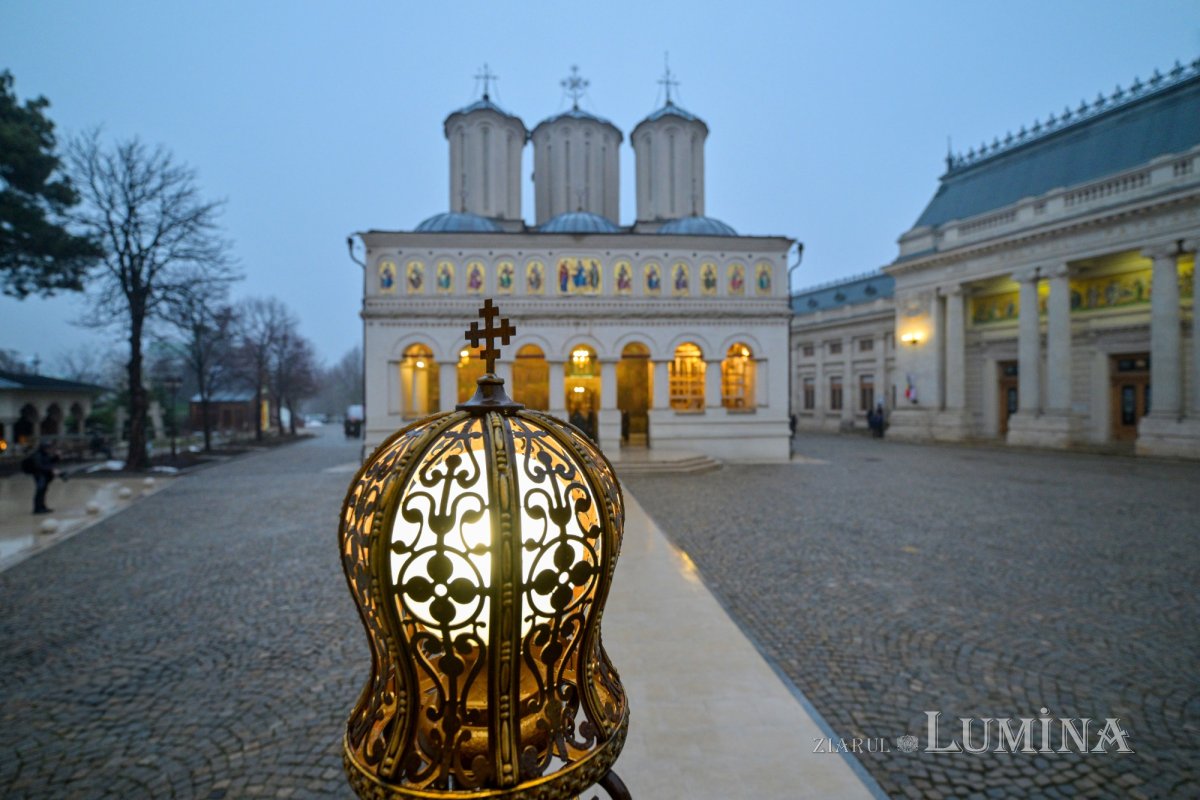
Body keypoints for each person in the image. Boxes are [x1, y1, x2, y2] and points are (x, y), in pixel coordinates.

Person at [29, 441, 60, 514]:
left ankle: (42, 507)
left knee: (43, 491)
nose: (48, 449)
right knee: (40, 491)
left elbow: (50, 462)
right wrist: (51, 470)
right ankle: (37, 509)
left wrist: (56, 456)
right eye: (47, 447)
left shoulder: (45, 454)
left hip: (45, 475)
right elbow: (39, 466)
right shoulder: (38, 455)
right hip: (39, 475)